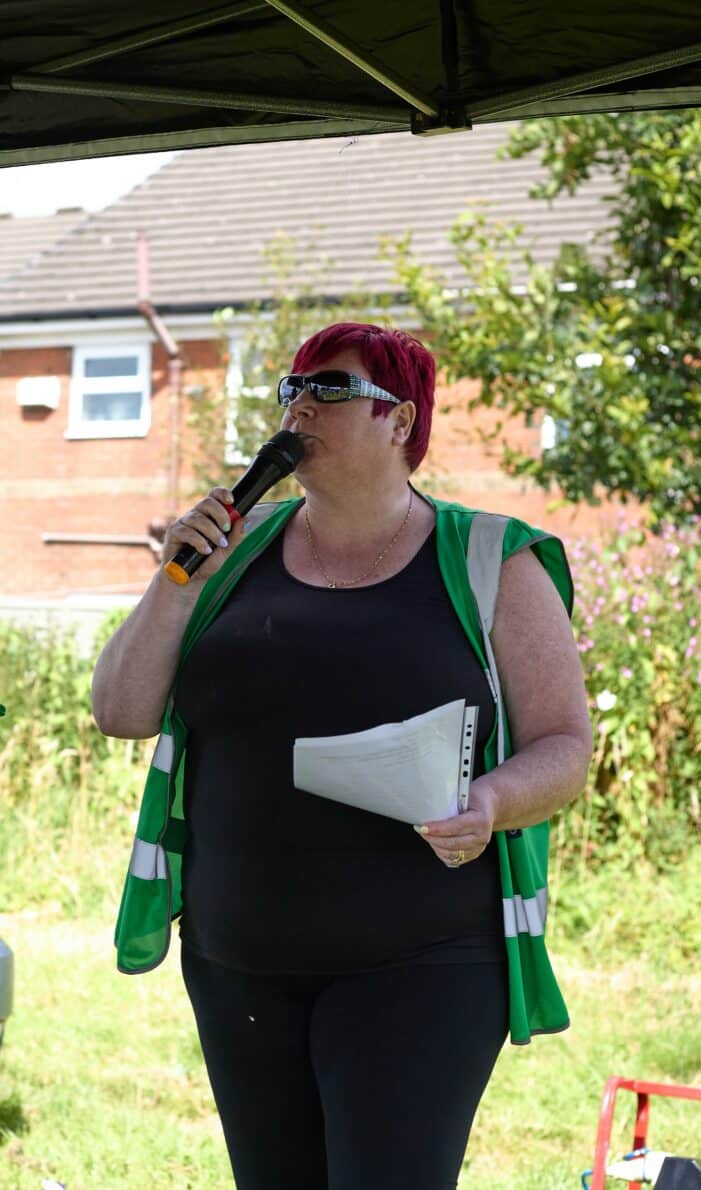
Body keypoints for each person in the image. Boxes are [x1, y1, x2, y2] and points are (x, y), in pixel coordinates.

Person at [92, 322, 593, 1190]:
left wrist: (493, 803)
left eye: (329, 390)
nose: (299, 407)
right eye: (291, 389)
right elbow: (121, 713)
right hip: (238, 960)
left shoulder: (491, 562)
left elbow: (566, 748)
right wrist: (174, 582)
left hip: (424, 962)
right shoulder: (232, 555)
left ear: (400, 423)